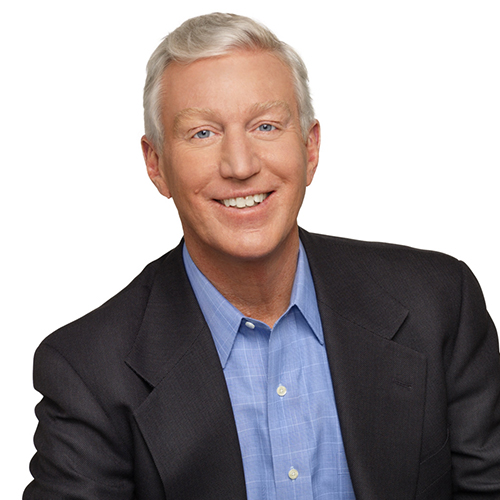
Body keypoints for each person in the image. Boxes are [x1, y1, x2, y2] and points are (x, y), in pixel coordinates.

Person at [24, 12, 500, 500]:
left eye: (266, 126)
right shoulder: (88, 371)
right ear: (156, 164)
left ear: (310, 149)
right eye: (202, 133)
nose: (240, 165)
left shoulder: (439, 303)